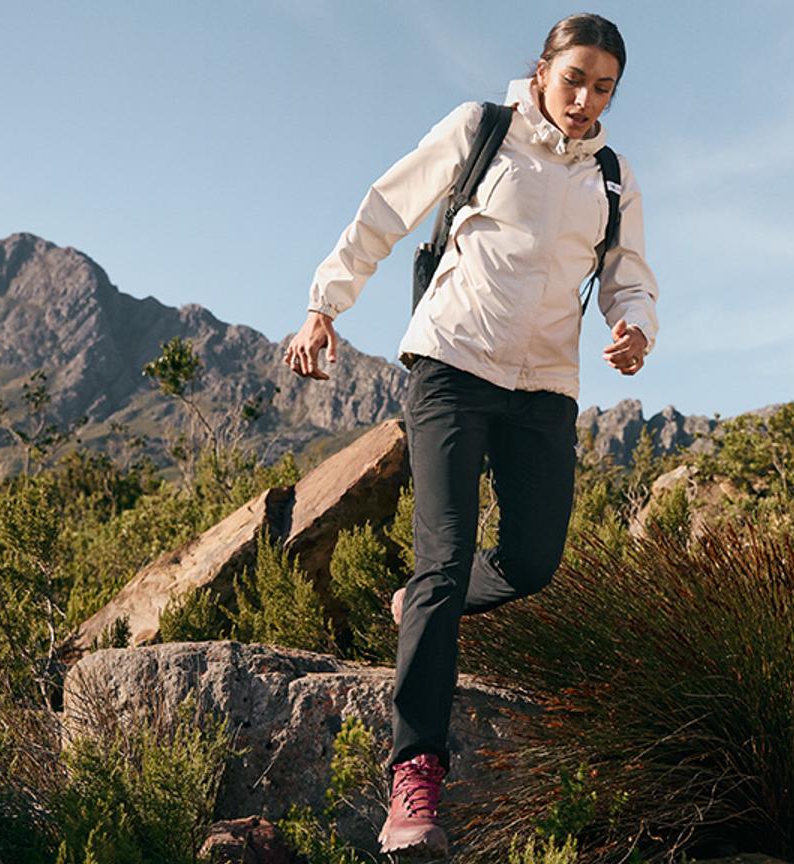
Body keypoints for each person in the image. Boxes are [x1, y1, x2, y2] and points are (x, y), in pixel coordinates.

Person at [283, 12, 657, 857]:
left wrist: (634, 326)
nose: (585, 99)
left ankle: (422, 604)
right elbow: (386, 208)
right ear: (543, 69)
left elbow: (627, 276)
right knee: (444, 557)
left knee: (532, 561)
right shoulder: (480, 129)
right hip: (451, 366)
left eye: (603, 88)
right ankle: (414, 776)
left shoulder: (612, 176)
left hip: (544, 389)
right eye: (575, 79)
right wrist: (323, 306)